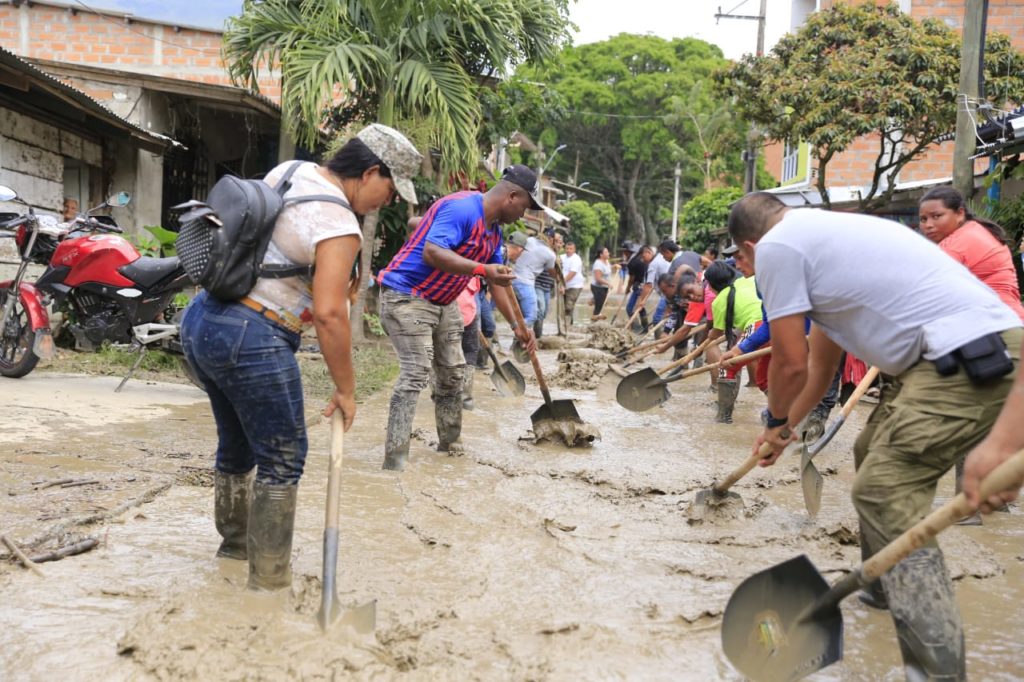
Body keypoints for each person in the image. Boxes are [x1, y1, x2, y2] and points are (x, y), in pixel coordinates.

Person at [728, 191, 1022, 679]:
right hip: (949, 356)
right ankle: (884, 587)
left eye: (740, 257)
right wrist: (785, 432)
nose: (745, 267)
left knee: (885, 490)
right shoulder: (826, 241)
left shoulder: (779, 248)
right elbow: (819, 368)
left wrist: (774, 420)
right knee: (868, 452)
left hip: (968, 355)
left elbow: (789, 361)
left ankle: (936, 671)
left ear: (752, 246)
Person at [180, 123, 420, 591]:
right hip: (252, 337)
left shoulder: (290, 171)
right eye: (390, 191)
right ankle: (268, 585)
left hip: (204, 320)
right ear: (371, 172)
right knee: (284, 459)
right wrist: (348, 390)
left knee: (237, 447)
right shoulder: (340, 224)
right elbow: (331, 315)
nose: (387, 203)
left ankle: (233, 550)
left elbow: (271, 250)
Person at [376, 164, 539, 471]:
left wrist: (519, 327)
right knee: (417, 372)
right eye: (525, 207)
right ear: (512, 196)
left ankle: (449, 448)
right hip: (407, 296)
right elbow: (433, 253)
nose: (524, 215)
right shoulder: (462, 209)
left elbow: (498, 282)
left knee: (453, 373)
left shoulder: (494, 233)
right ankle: (395, 459)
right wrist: (480, 269)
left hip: (444, 301)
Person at [919, 186, 1024, 321]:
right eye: (923, 219)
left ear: (960, 214)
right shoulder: (975, 229)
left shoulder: (957, 243)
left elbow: (924, 291)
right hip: (1003, 321)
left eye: (936, 216)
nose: (928, 225)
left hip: (998, 326)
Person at [508, 230, 556, 330]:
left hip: (511, 279)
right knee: (531, 316)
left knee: (520, 314)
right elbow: (552, 272)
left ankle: (520, 336)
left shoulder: (529, 240)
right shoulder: (551, 254)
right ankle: (518, 334)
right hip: (525, 283)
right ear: (551, 241)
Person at [624, 245, 654, 329]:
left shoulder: (632, 263)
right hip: (643, 286)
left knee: (630, 309)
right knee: (640, 308)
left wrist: (627, 288)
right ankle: (644, 328)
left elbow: (631, 278)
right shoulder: (641, 261)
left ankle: (637, 329)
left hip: (639, 286)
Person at [560, 240, 585, 327]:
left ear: (574, 250)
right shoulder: (561, 257)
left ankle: (567, 326)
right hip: (563, 285)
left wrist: (562, 283)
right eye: (567, 248)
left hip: (575, 286)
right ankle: (569, 325)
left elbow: (572, 273)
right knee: (563, 306)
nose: (568, 250)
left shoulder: (576, 259)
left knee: (568, 305)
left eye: (571, 249)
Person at [591, 247, 612, 318]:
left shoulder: (607, 261)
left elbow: (606, 270)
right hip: (597, 287)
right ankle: (595, 320)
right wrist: (608, 284)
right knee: (599, 305)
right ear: (601, 255)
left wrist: (614, 266)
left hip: (604, 287)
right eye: (606, 252)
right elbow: (598, 278)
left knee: (601, 303)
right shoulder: (598, 264)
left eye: (608, 252)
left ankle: (593, 301)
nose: (608, 253)